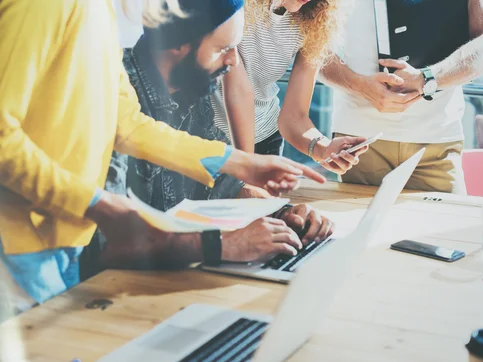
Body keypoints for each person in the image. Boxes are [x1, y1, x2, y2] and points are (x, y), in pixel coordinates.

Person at [0, 0, 325, 332]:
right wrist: (100, 204)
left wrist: (243, 163)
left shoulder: (99, 10)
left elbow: (127, 123)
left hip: (57, 228)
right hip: (5, 233)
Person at [82, 5, 337, 276]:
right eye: (222, 49)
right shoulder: (110, 101)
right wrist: (220, 245)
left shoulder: (193, 92)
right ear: (177, 43)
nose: (233, 61)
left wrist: (283, 215)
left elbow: (224, 185)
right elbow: (107, 246)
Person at [320, 0, 483, 194]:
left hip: (436, 141)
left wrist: (428, 78)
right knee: (359, 224)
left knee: (447, 223)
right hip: (359, 141)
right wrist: (359, 86)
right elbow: (311, 48)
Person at [210, 0, 369, 175]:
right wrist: (247, 171)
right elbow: (239, 92)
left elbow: (294, 117)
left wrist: (323, 148)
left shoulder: (315, 18)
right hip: (204, 141)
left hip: (264, 140)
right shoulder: (234, 6)